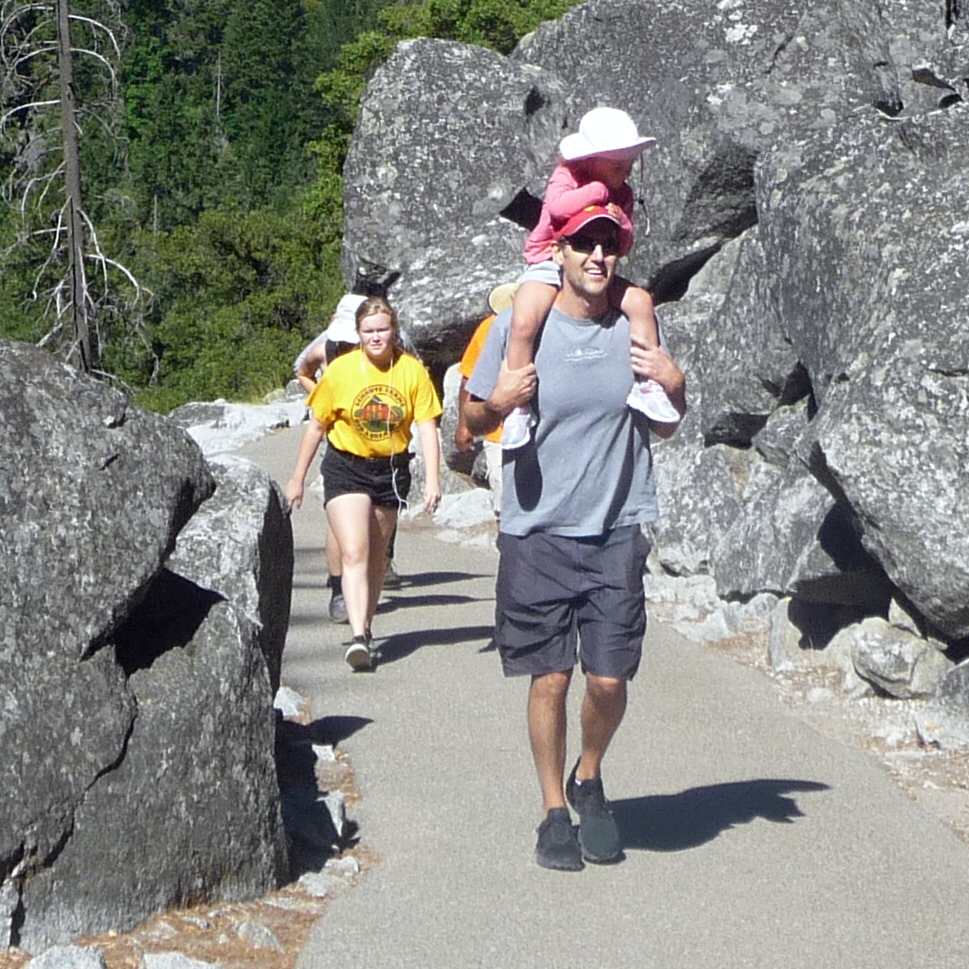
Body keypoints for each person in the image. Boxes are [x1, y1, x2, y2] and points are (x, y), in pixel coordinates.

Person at [462, 204, 685, 871]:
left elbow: (664, 422)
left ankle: (590, 776)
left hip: (615, 528)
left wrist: (676, 383)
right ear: (557, 251)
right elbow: (469, 418)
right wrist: (496, 401)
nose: (595, 254)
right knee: (551, 676)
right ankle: (553, 808)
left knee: (609, 680)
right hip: (536, 530)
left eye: (607, 243)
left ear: (620, 251)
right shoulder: (518, 325)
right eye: (583, 243)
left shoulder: (634, 324)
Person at [500, 106, 677, 450]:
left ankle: (647, 384)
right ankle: (518, 404)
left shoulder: (623, 192)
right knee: (523, 320)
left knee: (641, 302)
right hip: (549, 260)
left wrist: (620, 221)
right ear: (590, 159)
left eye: (628, 164)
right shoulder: (566, 176)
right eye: (616, 165)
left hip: (596, 270)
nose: (624, 171)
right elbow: (559, 208)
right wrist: (598, 194)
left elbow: (623, 244)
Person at [285, 296, 443, 671]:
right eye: (368, 331)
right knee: (354, 551)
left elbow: (427, 426)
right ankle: (357, 637)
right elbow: (317, 427)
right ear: (358, 334)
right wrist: (297, 479)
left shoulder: (411, 371)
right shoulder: (340, 371)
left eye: (382, 330)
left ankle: (366, 628)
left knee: (376, 557)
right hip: (346, 467)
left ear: (394, 331)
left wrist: (433, 479)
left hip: (390, 469)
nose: (376, 337)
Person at [294, 293, 404, 623]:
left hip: (387, 455)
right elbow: (302, 369)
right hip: (343, 446)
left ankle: (376, 568)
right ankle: (339, 587)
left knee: (378, 529)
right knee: (341, 518)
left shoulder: (397, 347)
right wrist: (321, 400)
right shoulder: (326, 348)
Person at [455, 282, 516, 521]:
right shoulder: (489, 328)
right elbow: (469, 378)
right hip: (498, 433)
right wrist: (464, 425)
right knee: (504, 506)